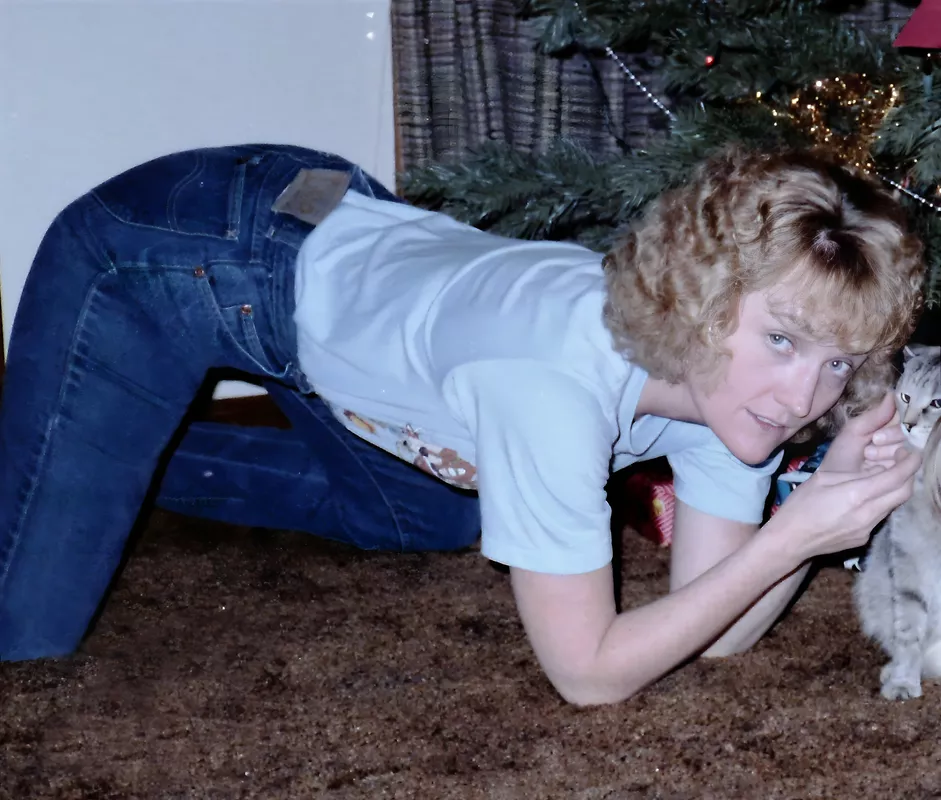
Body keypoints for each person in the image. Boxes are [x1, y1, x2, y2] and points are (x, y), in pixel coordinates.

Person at [0, 143, 925, 705]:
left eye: (837, 361)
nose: (804, 397)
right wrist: (790, 538)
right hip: (176, 254)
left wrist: (821, 500)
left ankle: (83, 454)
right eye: (782, 340)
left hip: (333, 226)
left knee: (434, 517)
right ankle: (53, 454)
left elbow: (715, 632)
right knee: (25, 635)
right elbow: (590, 676)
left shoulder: (725, 398)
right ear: (704, 300)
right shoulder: (549, 389)